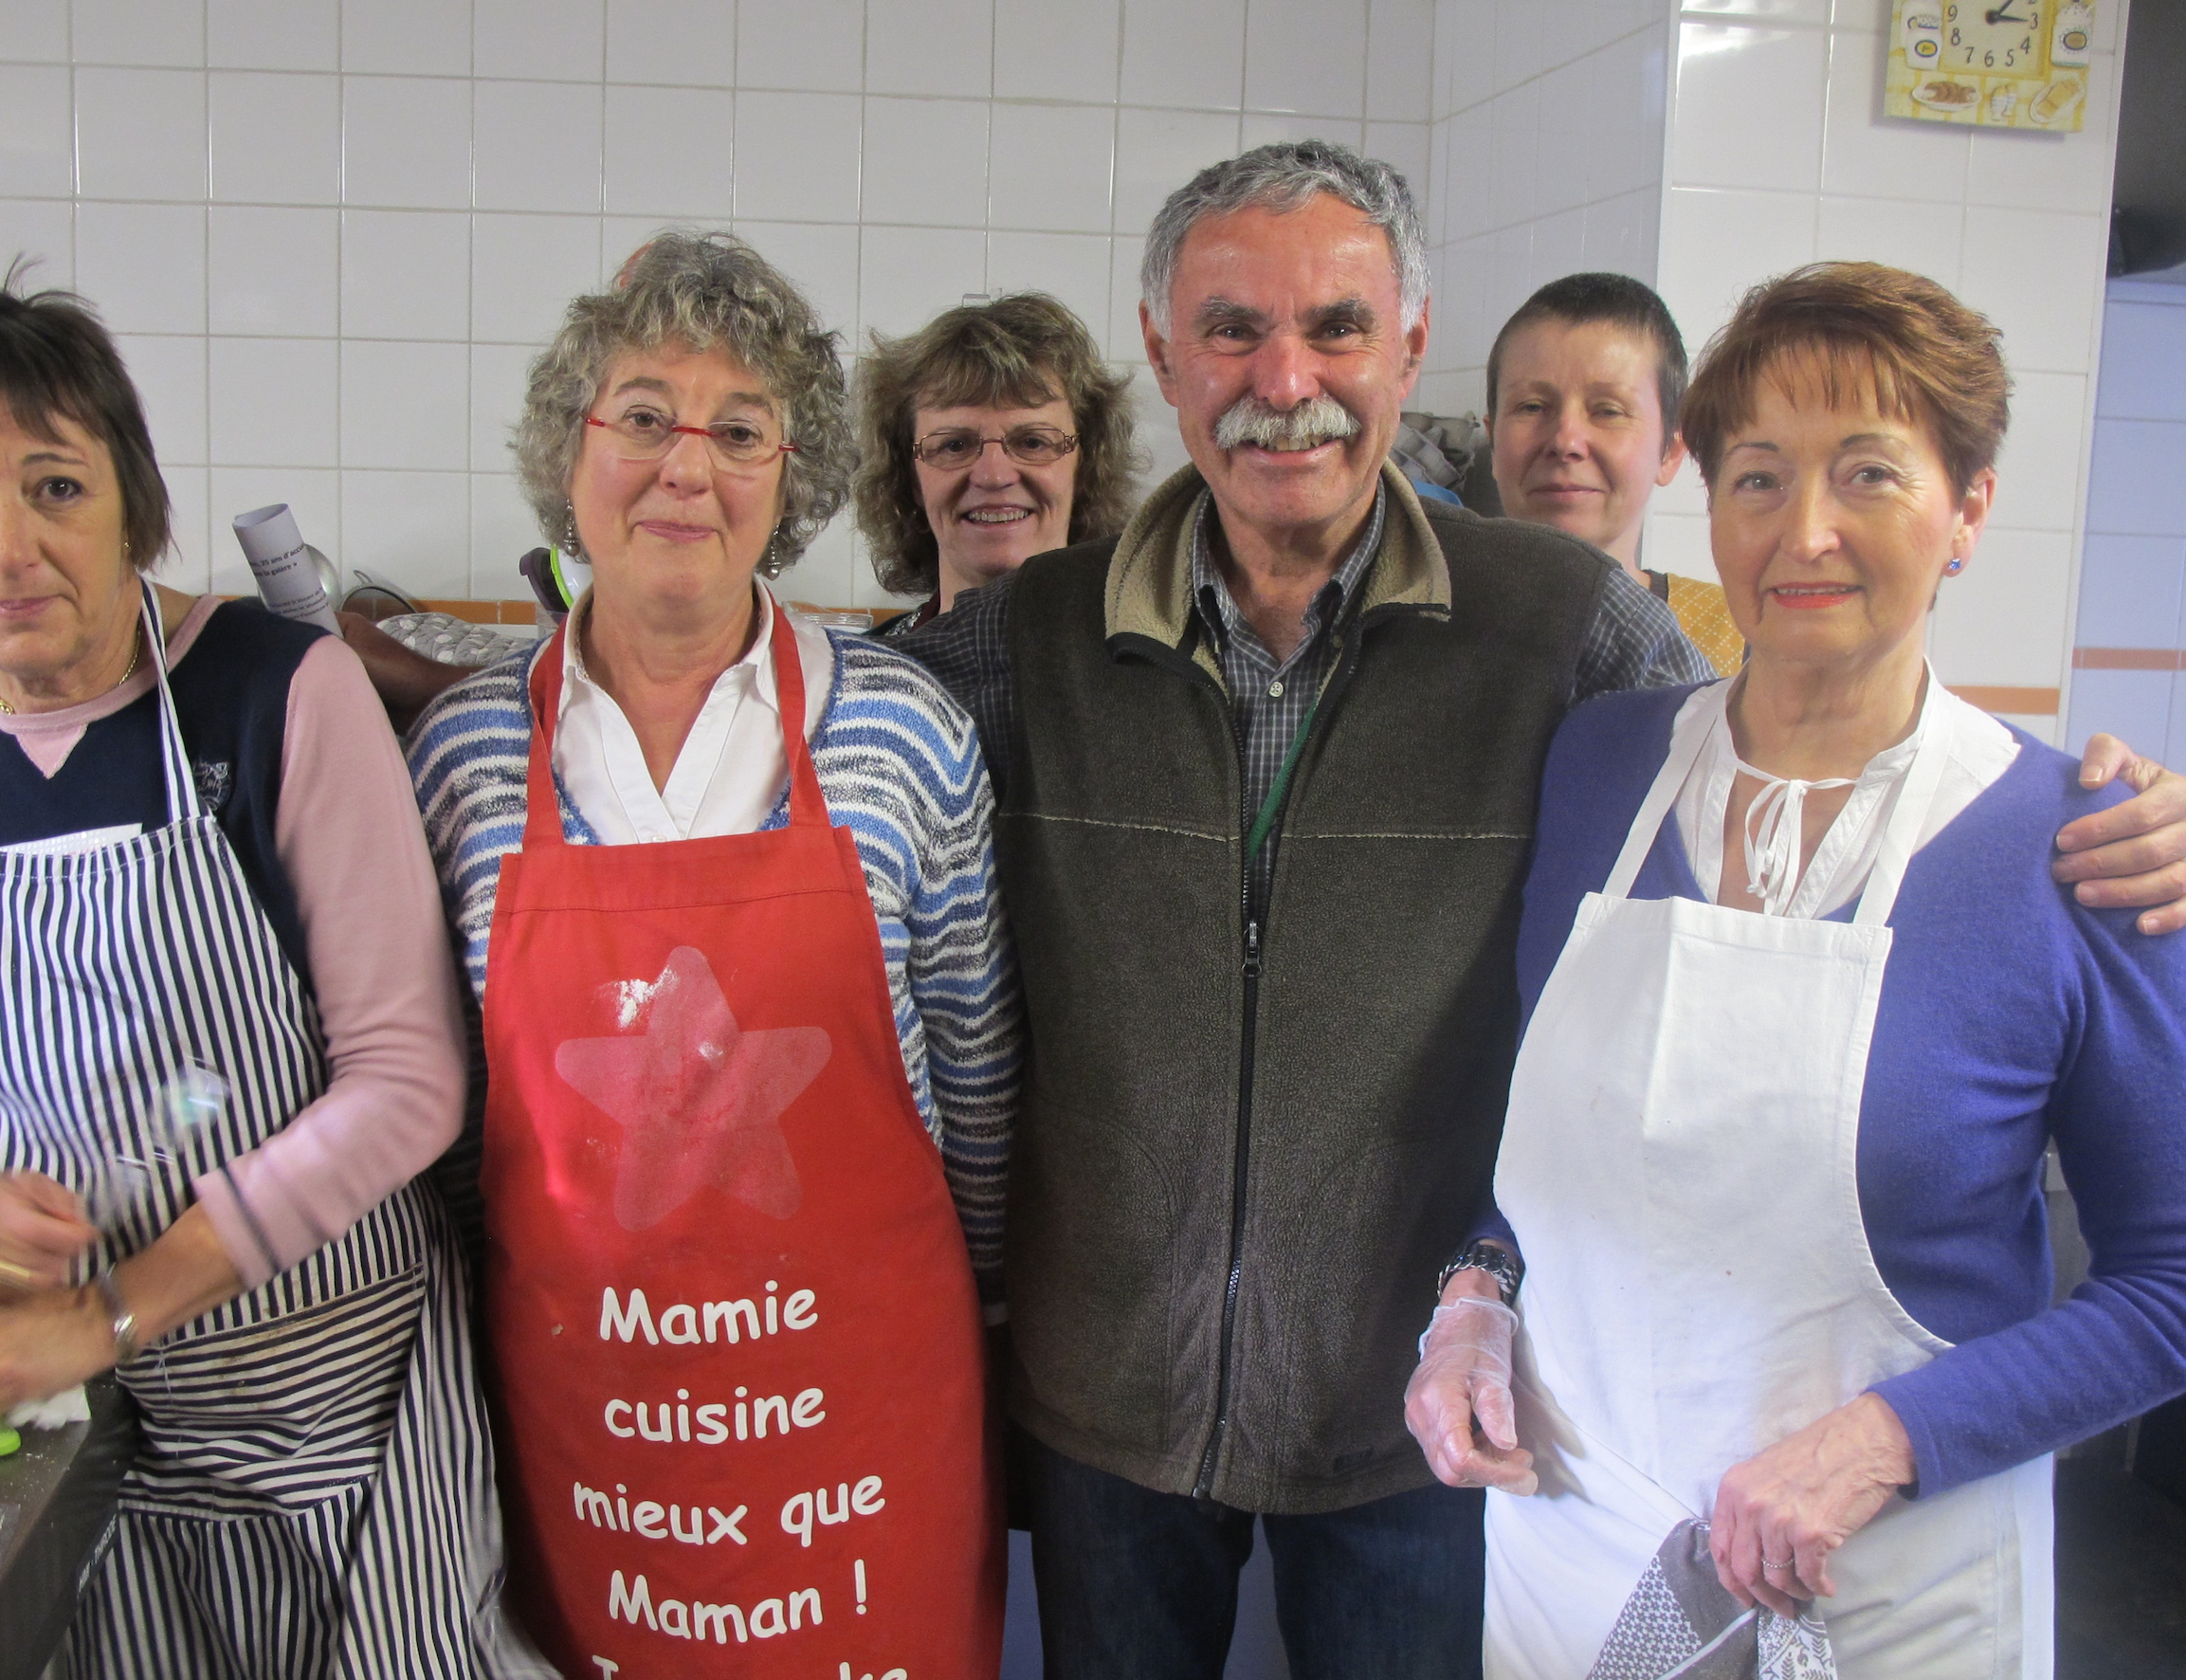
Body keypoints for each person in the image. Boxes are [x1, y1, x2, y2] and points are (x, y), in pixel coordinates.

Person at [899, 141, 2186, 1679]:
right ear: (1163, 353)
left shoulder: (1561, 636)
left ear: (1410, 348)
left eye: (1338, 328)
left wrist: (2132, 803)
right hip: (1179, 1412)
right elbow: (830, 740)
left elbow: (1791, 713)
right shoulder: (1036, 638)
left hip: (1434, 1446)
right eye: (1232, 329)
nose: (1283, 377)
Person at [1406, 264, 2186, 1677]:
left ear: (1968, 507)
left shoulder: (2080, 844)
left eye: (1869, 473)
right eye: (1758, 476)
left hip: (1878, 1583)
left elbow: (2170, 1282)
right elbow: (1568, 1153)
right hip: (1568, 1544)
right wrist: (1473, 1296)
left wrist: (1887, 1442)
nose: (1803, 531)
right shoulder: (1599, 768)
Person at [0, 283, 523, 1677]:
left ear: (132, 507)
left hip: (326, 1414)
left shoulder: (278, 692)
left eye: (54, 486)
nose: (5, 545)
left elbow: (405, 1082)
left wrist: (118, 1303)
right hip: (59, 1425)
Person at [403, 230, 1018, 1679]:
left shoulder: (902, 737)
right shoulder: (466, 758)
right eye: (640, 417)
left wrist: (984, 1315)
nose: (686, 467)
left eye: (739, 430)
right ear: (570, 454)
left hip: (858, 1408)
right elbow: (450, 1130)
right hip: (594, 1417)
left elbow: (980, 1088)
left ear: (788, 482)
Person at [1487, 272, 1742, 674]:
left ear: (1670, 453)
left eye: (1608, 410)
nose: (1565, 440)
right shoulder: (1424, 623)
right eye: (1532, 407)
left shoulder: (1736, 638)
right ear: (1493, 440)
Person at [852, 291, 1143, 639]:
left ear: (1086, 466)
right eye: (954, 445)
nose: (994, 476)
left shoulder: (1151, 675)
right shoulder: (859, 679)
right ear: (910, 478)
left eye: (1033, 442)